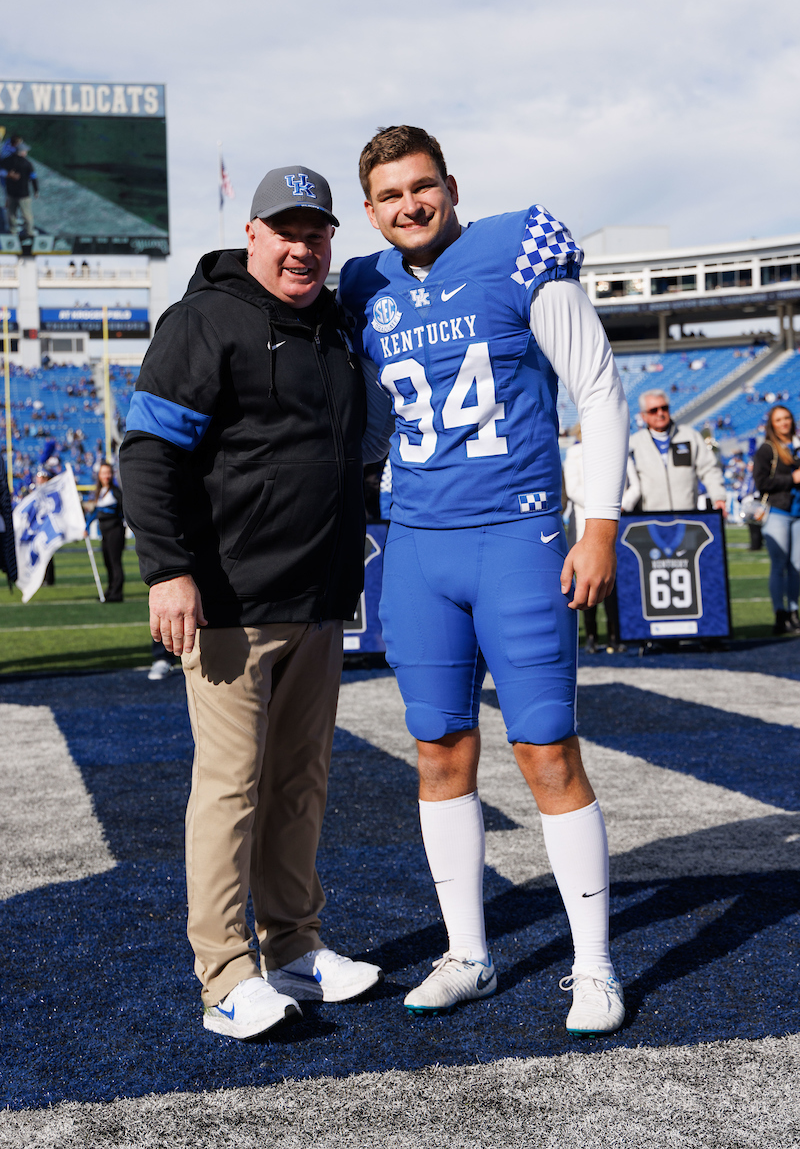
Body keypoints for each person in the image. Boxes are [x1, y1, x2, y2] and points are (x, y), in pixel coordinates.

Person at [338, 125, 629, 1037]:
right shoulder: (364, 286)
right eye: (388, 196)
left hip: (519, 535)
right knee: (439, 752)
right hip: (420, 547)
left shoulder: (515, 249)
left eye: (421, 188)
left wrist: (600, 526)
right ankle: (469, 952)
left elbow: (598, 386)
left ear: (450, 185)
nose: (408, 206)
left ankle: (593, 966)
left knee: (546, 751)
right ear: (370, 209)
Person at [119, 165, 388, 1042]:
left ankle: (295, 946)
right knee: (232, 788)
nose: (302, 246)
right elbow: (149, 454)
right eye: (286, 229)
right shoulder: (203, 320)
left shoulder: (336, 331)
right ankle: (226, 974)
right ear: (253, 233)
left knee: (300, 783)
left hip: (317, 599)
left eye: (317, 232)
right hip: (231, 600)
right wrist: (167, 569)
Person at [564, 427, 638, 653]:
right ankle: (591, 637)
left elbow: (635, 485)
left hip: (618, 523)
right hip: (585, 525)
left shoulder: (619, 450)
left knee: (614, 584)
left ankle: (616, 636)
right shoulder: (573, 456)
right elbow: (573, 489)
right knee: (587, 582)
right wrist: (605, 508)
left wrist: (622, 504)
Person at [627, 390, 727, 512]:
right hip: (650, 520)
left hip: (687, 517)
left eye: (664, 408)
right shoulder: (634, 444)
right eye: (654, 410)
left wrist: (718, 497)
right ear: (644, 416)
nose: (660, 413)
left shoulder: (690, 436)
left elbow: (709, 469)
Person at [753, 405, 800, 635]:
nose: (784, 423)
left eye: (787, 418)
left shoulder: (798, 445)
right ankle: (780, 614)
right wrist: (791, 478)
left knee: (797, 567)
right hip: (778, 511)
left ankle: (794, 611)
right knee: (779, 565)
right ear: (772, 424)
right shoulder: (767, 449)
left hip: (798, 511)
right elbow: (761, 483)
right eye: (779, 419)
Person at [86, 461, 125, 602]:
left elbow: (123, 511)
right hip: (105, 533)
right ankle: (109, 590)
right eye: (103, 473)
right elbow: (96, 512)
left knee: (115, 562)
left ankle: (117, 593)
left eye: (108, 473)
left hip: (115, 531)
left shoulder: (116, 492)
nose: (106, 476)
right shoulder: (100, 492)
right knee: (107, 562)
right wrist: (86, 527)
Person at [4, 144, 38, 240]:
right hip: (23, 193)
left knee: (11, 213)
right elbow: (33, 177)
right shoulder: (27, 163)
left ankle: (13, 231)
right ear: (22, 152)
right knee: (27, 214)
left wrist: (8, 175)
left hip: (11, 192)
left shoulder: (8, 161)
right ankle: (29, 231)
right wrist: (36, 190)